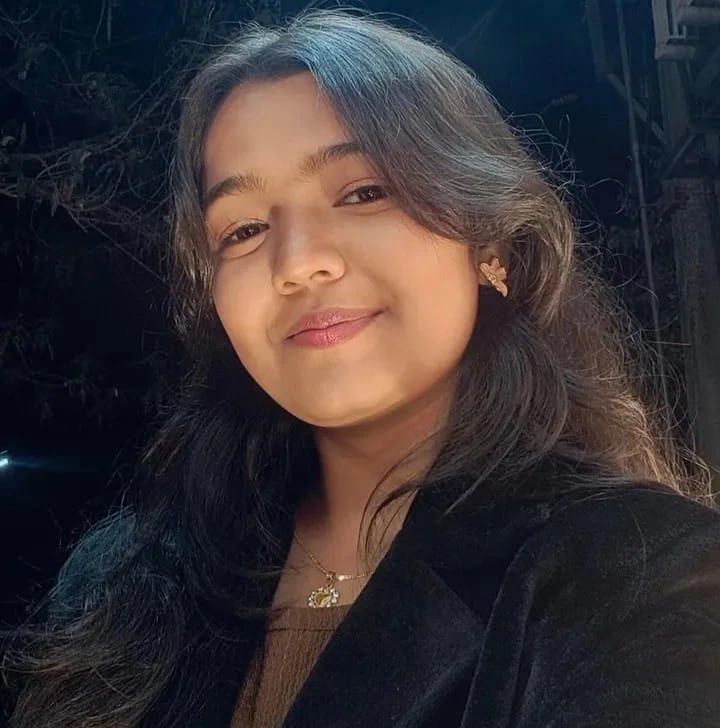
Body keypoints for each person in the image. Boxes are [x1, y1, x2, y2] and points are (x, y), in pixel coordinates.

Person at [3, 7, 720, 728]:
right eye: (244, 229)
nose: (297, 263)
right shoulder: (121, 584)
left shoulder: (640, 575)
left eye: (362, 192)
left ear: (490, 243)